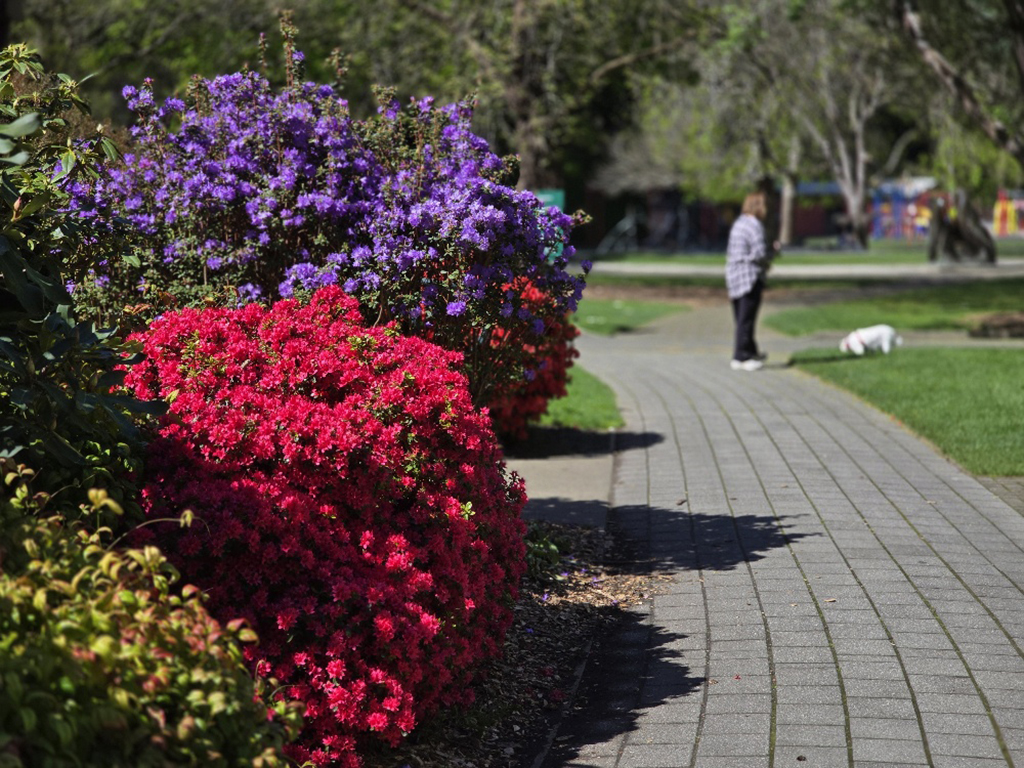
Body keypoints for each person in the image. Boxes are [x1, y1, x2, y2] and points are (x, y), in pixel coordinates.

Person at [725, 191, 777, 371]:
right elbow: (760, 253)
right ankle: (741, 357)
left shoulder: (739, 223)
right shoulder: (754, 225)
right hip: (749, 276)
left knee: (740, 316)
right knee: (746, 319)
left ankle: (751, 350)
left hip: (733, 276)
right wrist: (773, 252)